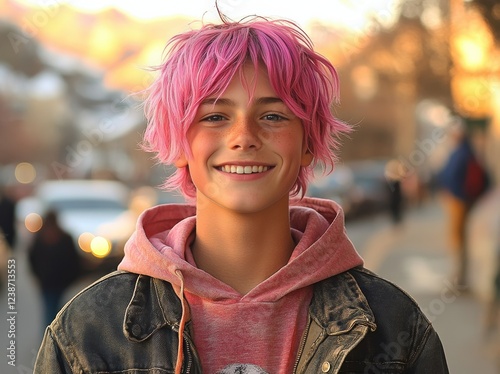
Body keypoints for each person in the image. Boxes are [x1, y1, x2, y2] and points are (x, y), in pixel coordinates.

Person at [33, 15, 449, 373]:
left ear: (308, 143)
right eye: (214, 116)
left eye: (272, 115)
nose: (244, 137)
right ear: (179, 145)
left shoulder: (395, 327)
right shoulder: (85, 332)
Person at [438, 120, 490, 287]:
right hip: (462, 200)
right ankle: (460, 277)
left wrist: (454, 194)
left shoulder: (461, 153)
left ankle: (460, 278)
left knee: (458, 239)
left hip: (459, 201)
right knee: (459, 238)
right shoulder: (468, 152)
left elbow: (451, 176)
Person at [28, 210, 82, 329]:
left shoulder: (40, 238)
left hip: (49, 282)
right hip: (59, 282)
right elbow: (74, 261)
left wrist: (38, 276)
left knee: (50, 311)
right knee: (58, 311)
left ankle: (50, 338)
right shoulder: (65, 237)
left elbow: (32, 259)